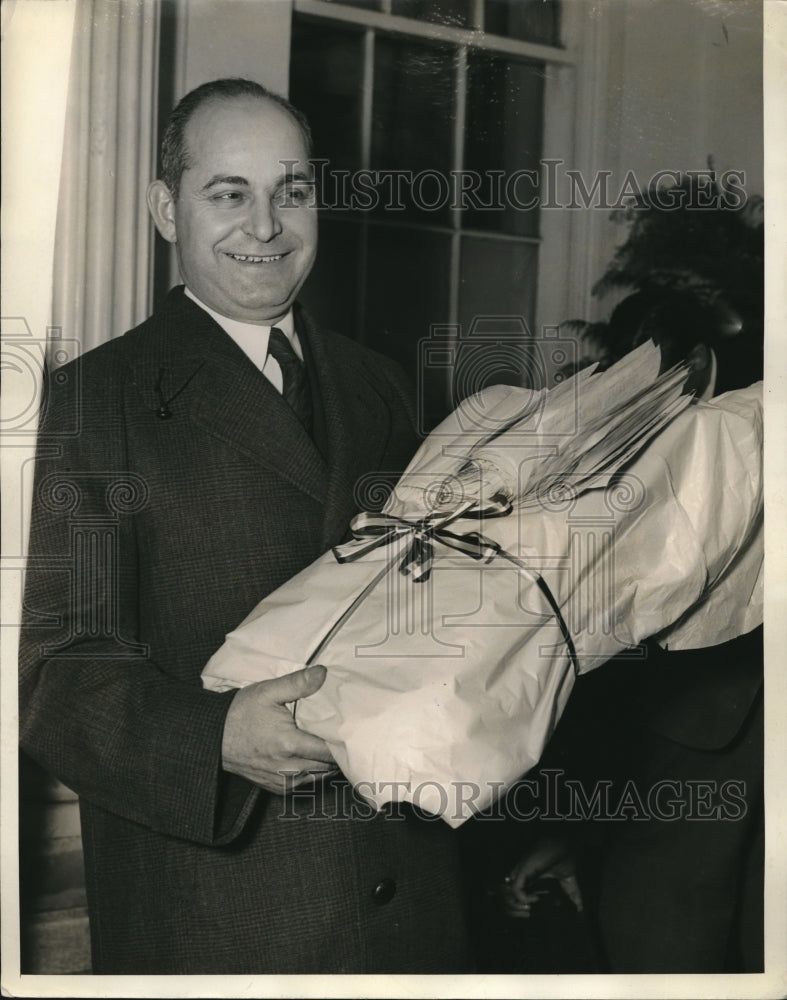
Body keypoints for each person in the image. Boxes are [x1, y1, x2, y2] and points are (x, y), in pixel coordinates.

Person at [19, 78, 469, 975]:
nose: (265, 226)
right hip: (219, 919)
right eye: (229, 193)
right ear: (164, 208)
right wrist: (213, 738)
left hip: (413, 903)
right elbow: (48, 673)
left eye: (291, 191)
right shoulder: (84, 407)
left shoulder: (377, 384)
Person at [501, 285, 764, 973]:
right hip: (670, 819)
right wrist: (573, 830)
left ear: (698, 370)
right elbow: (604, 674)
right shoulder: (637, 491)